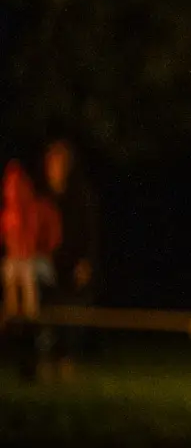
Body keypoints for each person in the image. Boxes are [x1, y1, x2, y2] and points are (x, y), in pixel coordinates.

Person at [40, 139, 101, 373]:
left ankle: (67, 359)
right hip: (46, 265)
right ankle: (44, 359)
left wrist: (86, 262)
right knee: (42, 308)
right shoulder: (41, 196)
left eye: (63, 162)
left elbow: (90, 233)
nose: (58, 168)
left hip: (72, 266)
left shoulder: (80, 196)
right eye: (54, 162)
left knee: (74, 307)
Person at [2, 160, 59, 324]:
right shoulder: (8, 215)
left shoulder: (37, 210)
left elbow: (48, 240)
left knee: (27, 272)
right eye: (9, 186)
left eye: (16, 186)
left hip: (38, 262)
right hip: (16, 262)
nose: (12, 191)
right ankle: (13, 319)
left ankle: (32, 321)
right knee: (9, 270)